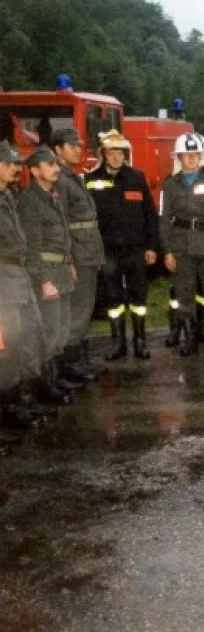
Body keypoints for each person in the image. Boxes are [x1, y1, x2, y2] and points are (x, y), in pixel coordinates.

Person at [0, 141, 57, 444]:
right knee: (5, 348)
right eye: (9, 164)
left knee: (28, 336)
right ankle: (6, 409)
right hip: (2, 283)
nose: (15, 168)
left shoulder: (8, 196)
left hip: (17, 277)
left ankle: (19, 401)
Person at [85, 130, 159, 360]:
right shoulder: (90, 180)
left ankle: (139, 341)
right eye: (111, 152)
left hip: (135, 248)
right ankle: (118, 343)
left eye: (120, 153)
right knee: (113, 298)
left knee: (138, 297)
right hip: (108, 250)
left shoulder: (136, 177)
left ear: (125, 154)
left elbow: (149, 214)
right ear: (103, 154)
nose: (116, 157)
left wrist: (151, 246)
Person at [158, 132, 204, 356]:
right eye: (186, 155)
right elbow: (164, 219)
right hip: (182, 249)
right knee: (184, 295)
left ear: (202, 157)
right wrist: (168, 251)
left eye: (195, 155)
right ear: (179, 158)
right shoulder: (170, 185)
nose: (191, 159)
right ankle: (189, 339)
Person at [18, 146, 81, 398]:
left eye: (56, 164)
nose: (56, 169)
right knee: (48, 331)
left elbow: (60, 237)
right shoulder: (30, 201)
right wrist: (44, 280)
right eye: (49, 165)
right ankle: (42, 386)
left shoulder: (51, 196)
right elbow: (31, 246)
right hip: (47, 275)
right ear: (34, 171)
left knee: (61, 329)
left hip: (61, 272)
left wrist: (69, 264)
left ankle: (53, 378)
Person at [51, 128, 104, 383]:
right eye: (71, 146)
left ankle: (78, 359)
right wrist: (68, 259)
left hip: (88, 251)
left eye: (78, 145)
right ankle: (68, 363)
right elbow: (59, 223)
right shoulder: (60, 180)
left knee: (84, 308)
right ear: (58, 150)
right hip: (78, 255)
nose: (77, 149)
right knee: (77, 310)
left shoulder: (73, 177)